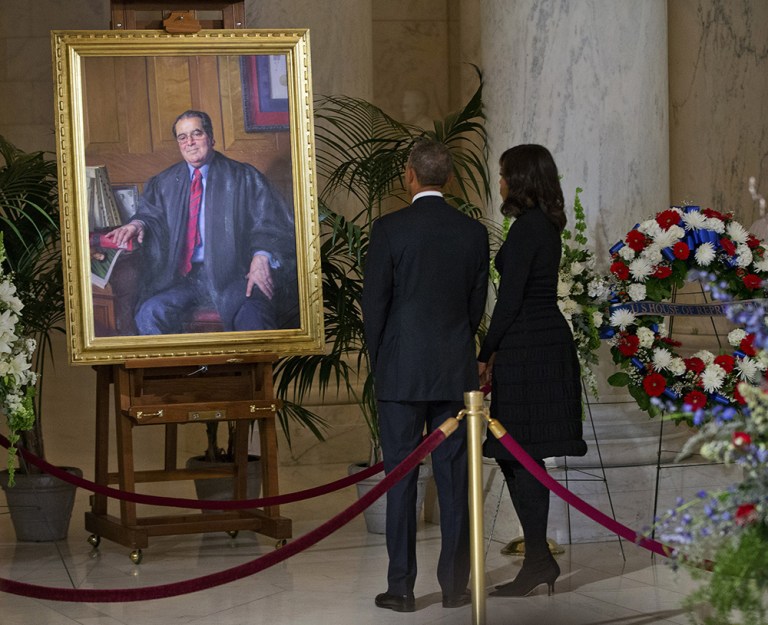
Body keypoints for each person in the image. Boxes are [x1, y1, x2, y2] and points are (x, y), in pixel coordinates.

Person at [362, 139, 489, 612]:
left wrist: (382, 360)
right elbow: (476, 305)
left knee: (400, 479)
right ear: (449, 178)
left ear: (409, 175)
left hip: (400, 372)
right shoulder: (473, 233)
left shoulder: (389, 229)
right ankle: (455, 587)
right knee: (455, 481)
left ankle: (401, 588)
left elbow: (374, 305)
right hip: (454, 371)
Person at [478, 144, 587, 598]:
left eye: (504, 174)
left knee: (519, 452)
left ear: (520, 179)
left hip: (530, 351)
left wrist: (485, 351)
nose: (500, 181)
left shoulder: (528, 228)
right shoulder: (543, 224)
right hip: (538, 345)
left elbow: (510, 300)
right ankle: (538, 559)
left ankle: (538, 559)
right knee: (518, 453)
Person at [105, 110, 298, 334]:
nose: (190, 142)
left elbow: (269, 223)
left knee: (254, 318)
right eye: (182, 137)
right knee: (149, 314)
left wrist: (262, 256)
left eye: (196, 134)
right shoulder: (164, 182)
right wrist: (137, 224)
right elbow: (150, 215)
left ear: (211, 138)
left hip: (234, 277)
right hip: (182, 279)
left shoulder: (244, 177)